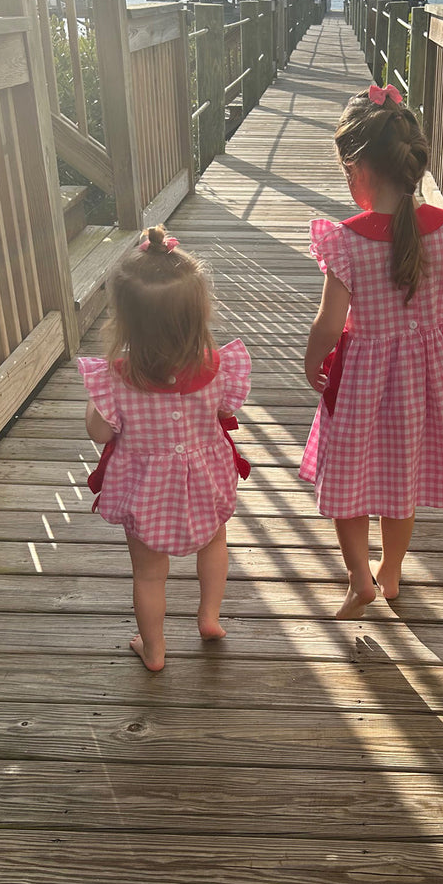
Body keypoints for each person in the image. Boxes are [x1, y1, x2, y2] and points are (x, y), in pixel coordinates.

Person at [300, 83, 443, 619]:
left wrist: (313, 361)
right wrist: (434, 313)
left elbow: (330, 324)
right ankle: (392, 572)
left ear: (358, 172)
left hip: (361, 384)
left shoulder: (349, 241)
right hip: (420, 386)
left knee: (348, 481)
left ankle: (359, 577)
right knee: (398, 481)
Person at [79, 227, 251, 669]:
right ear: (198, 314)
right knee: (214, 545)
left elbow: (99, 433)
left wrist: (96, 407)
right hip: (206, 479)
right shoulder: (218, 366)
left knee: (149, 574)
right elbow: (227, 410)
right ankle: (209, 617)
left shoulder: (116, 379)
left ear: (124, 319)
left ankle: (154, 650)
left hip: (145, 490)